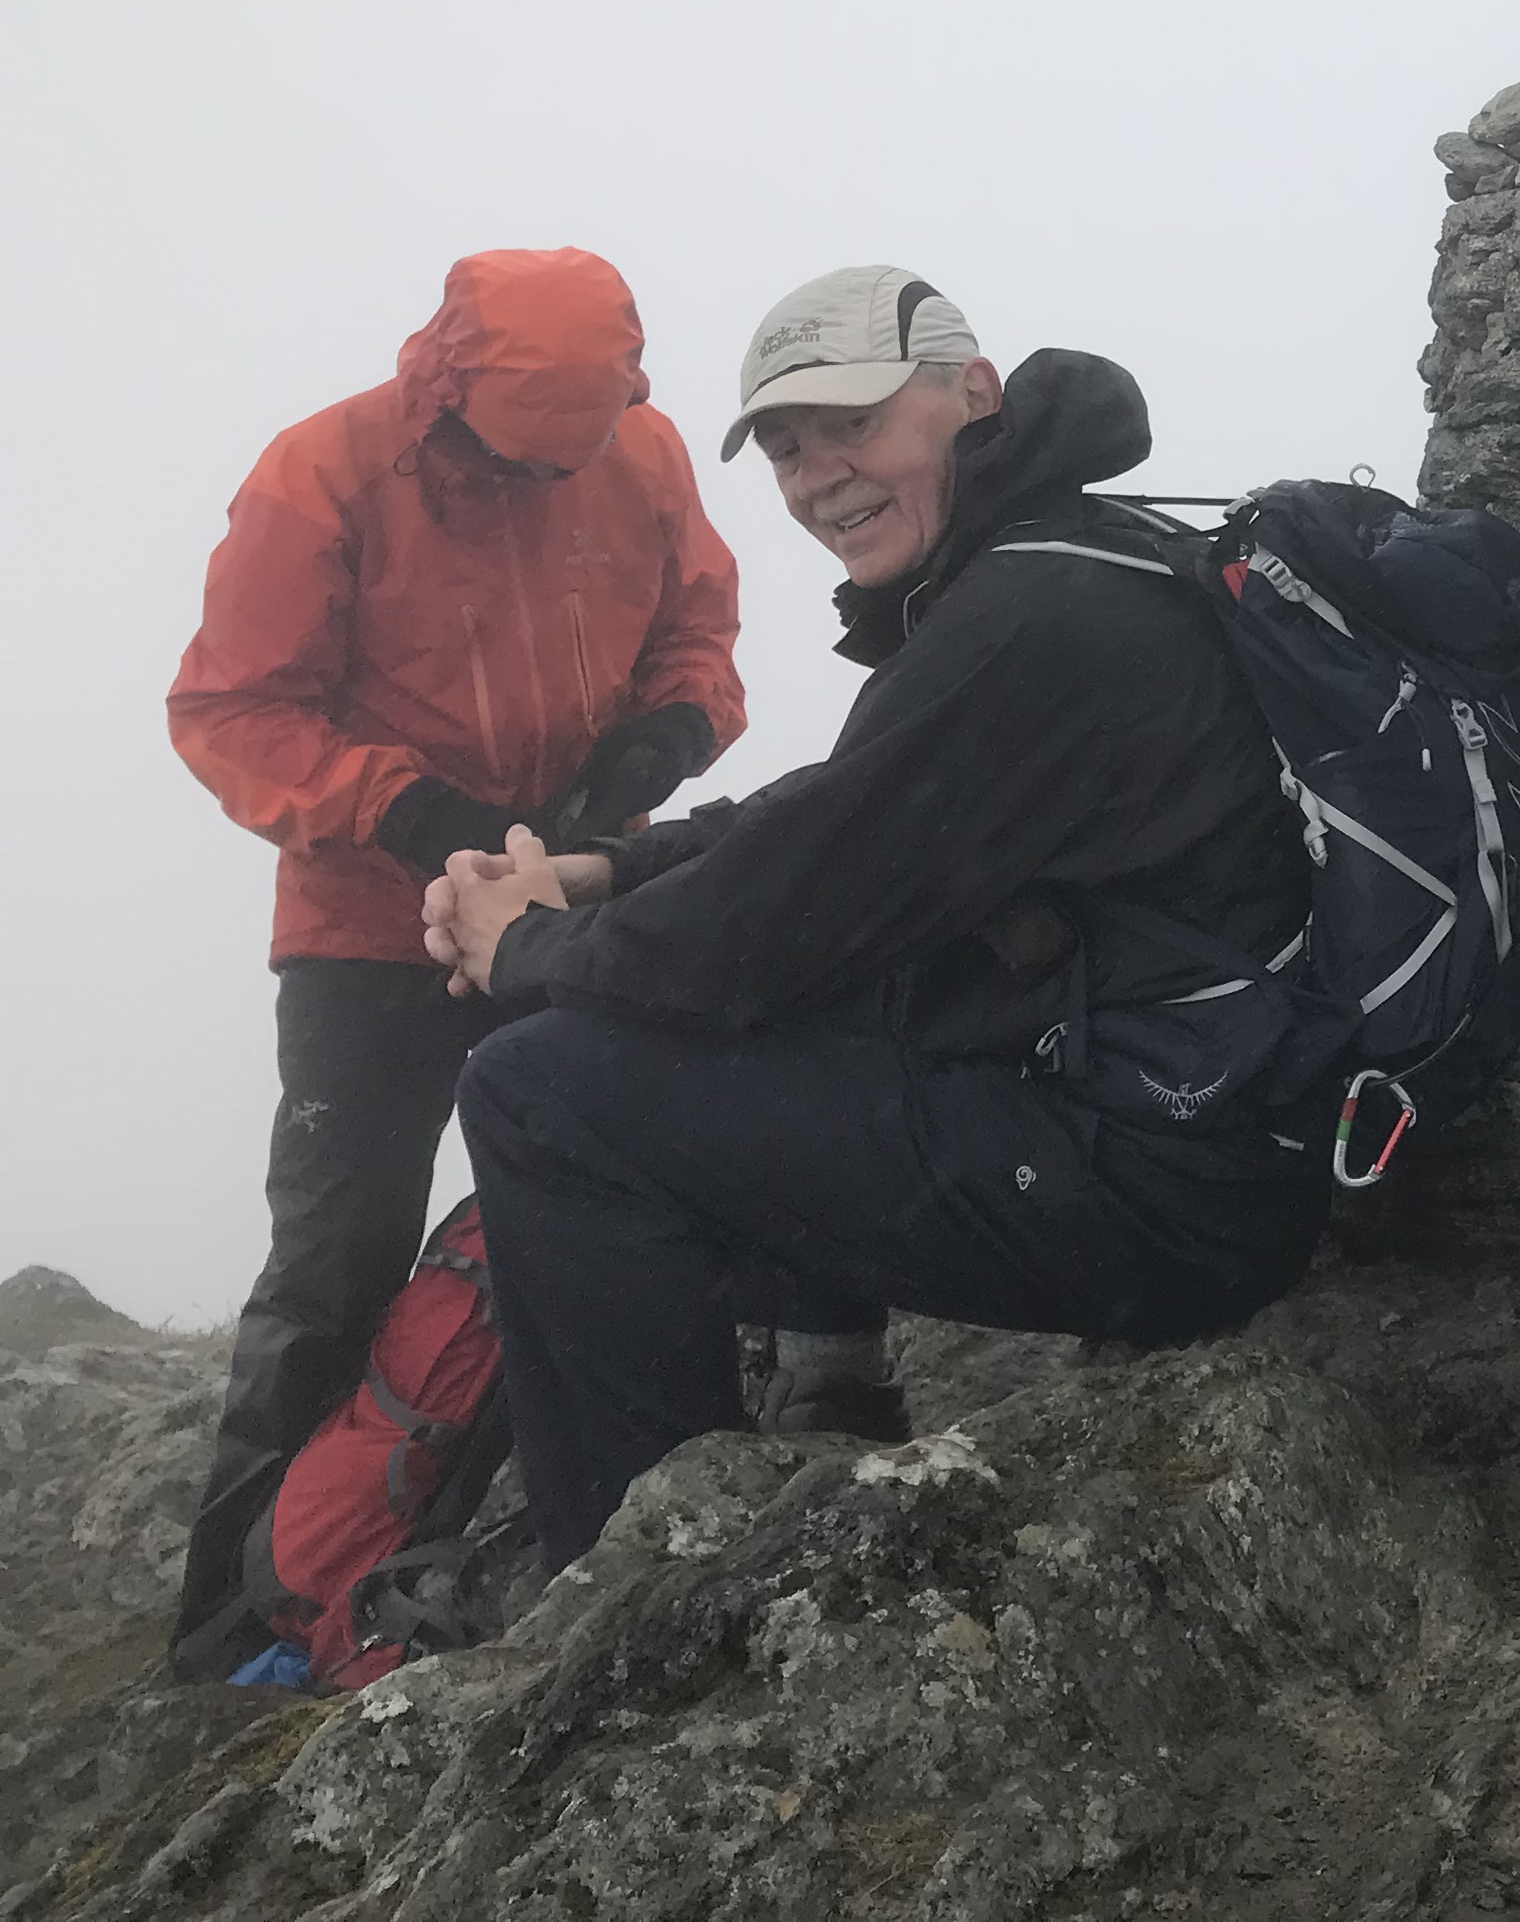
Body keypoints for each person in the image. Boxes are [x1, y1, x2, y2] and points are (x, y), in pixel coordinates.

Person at [420, 267, 1323, 1571]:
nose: (818, 476)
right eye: (787, 450)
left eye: (854, 424)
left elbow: (763, 927)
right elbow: (845, 816)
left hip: (1168, 1198)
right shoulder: (1060, 561)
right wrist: (606, 868)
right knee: (792, 991)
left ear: (973, 394)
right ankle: (823, 1383)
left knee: (541, 1091)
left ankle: (628, 1570)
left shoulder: (1027, 617)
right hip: (1204, 1135)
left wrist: (525, 948)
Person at [164, 247, 742, 1673]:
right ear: (448, 395)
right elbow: (229, 710)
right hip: (365, 936)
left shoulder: (647, 455)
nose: (553, 484)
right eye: (517, 461)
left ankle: (532, 1540)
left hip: (562, 901)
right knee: (332, 1267)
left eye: (578, 455)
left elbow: (697, 634)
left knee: (590, 1208)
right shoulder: (324, 477)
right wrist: (406, 810)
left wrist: (654, 753)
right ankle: (230, 1636)